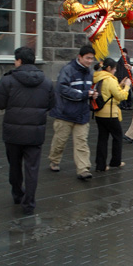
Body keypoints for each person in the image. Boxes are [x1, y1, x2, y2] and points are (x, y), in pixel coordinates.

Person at [0, 47, 55, 215]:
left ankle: (17, 193)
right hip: (35, 132)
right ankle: (29, 203)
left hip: (13, 132)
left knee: (14, 165)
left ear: (18, 61)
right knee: (32, 168)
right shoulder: (46, 82)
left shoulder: (8, 80)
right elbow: (51, 104)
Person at [48, 45, 97, 181]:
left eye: (92, 59)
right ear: (79, 57)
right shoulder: (68, 70)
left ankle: (83, 169)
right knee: (60, 141)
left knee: (82, 142)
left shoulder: (90, 72)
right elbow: (62, 89)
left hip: (82, 114)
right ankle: (54, 160)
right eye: (87, 58)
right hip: (65, 113)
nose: (89, 61)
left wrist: (92, 94)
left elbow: (89, 89)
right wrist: (84, 94)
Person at [93, 58, 132, 171]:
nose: (115, 71)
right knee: (117, 137)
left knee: (102, 138)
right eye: (114, 68)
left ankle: (100, 165)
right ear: (109, 68)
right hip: (110, 113)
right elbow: (121, 96)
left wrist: (120, 85)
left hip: (99, 112)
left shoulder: (98, 77)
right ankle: (116, 161)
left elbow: (109, 93)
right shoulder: (110, 80)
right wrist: (127, 86)